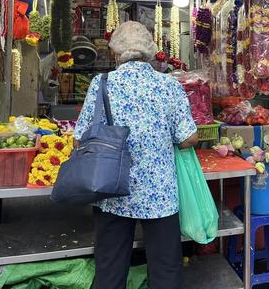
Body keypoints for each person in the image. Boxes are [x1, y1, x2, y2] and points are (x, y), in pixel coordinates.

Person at [74, 21, 198, 289]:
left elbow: (80, 138)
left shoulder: (102, 84)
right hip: (160, 194)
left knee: (110, 268)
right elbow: (189, 137)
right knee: (166, 269)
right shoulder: (169, 85)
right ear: (151, 51)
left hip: (111, 189)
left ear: (115, 53)